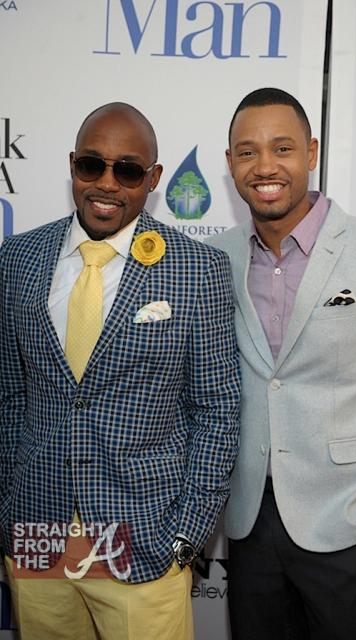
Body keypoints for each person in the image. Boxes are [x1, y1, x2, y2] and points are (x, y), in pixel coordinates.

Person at [0, 102, 240, 640]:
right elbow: (9, 395)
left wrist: (186, 532)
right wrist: (6, 510)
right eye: (92, 164)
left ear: (153, 178)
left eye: (128, 170)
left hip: (144, 537)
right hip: (38, 531)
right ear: (72, 165)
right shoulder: (18, 258)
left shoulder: (196, 269)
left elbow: (217, 410)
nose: (106, 183)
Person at [208, 87, 356, 640]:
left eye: (282, 148)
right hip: (249, 529)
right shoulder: (217, 259)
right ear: (230, 162)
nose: (265, 166)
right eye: (248, 152)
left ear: (311, 152)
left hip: (351, 530)